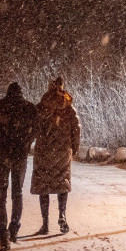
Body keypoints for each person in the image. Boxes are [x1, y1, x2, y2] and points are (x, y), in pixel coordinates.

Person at [0, 81, 38, 251]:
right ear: (21, 93)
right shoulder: (29, 108)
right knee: (17, 192)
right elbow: (37, 129)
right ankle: (14, 227)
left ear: (8, 93)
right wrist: (26, 140)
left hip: (1, 155)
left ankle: (2, 233)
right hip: (20, 155)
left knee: (1, 193)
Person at [30, 76, 81, 235]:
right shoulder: (69, 109)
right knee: (62, 182)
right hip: (63, 151)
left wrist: (29, 143)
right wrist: (75, 148)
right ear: (62, 87)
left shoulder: (40, 107)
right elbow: (76, 130)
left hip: (44, 151)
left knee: (43, 185)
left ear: (49, 88)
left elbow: (33, 129)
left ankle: (45, 224)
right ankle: (62, 215)